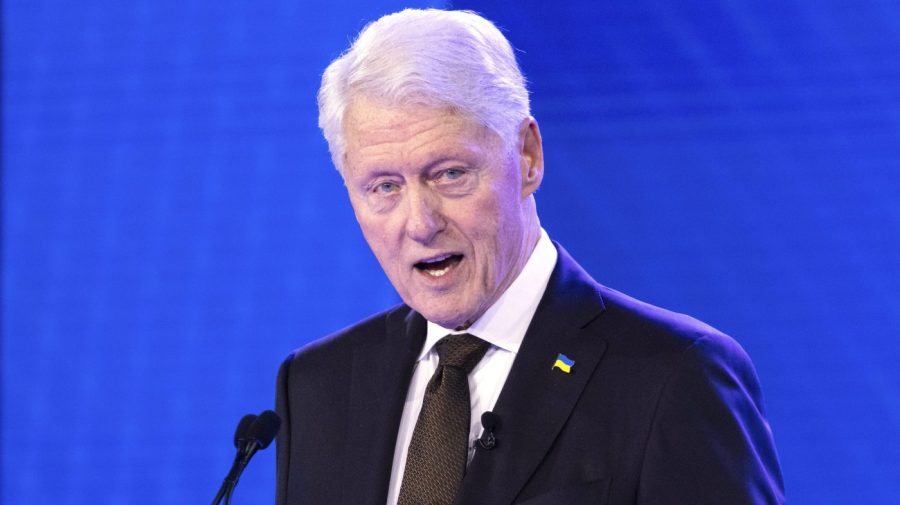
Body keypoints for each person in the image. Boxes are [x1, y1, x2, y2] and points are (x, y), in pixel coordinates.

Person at [275, 8, 784, 505]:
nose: (421, 223)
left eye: (450, 173)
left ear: (528, 157)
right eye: (384, 186)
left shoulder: (670, 376)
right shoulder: (317, 386)